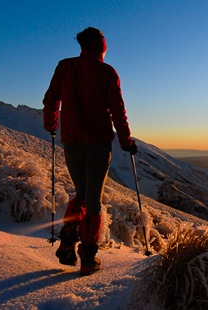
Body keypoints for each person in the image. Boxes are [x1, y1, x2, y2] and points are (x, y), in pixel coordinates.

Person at [43, 27, 137, 276]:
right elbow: (118, 110)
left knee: (81, 193)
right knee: (93, 199)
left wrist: (52, 126)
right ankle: (88, 256)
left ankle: (68, 236)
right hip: (97, 144)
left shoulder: (65, 67)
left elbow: (51, 100)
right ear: (101, 46)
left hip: (71, 142)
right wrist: (126, 141)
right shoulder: (107, 72)